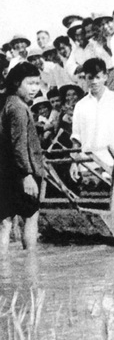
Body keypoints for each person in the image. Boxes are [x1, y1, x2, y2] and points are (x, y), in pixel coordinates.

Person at [0, 62, 44, 252]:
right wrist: (27, 175)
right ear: (17, 83)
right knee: (31, 216)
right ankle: (30, 263)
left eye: (37, 83)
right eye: (30, 83)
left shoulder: (6, 102)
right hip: (20, 171)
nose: (35, 89)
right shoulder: (18, 107)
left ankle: (4, 266)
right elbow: (19, 145)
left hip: (4, 170)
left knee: (5, 222)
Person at [71, 58, 114, 172]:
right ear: (85, 78)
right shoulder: (80, 106)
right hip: (89, 165)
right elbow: (76, 138)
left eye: (98, 77)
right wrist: (74, 163)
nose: (94, 82)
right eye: (90, 78)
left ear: (105, 77)